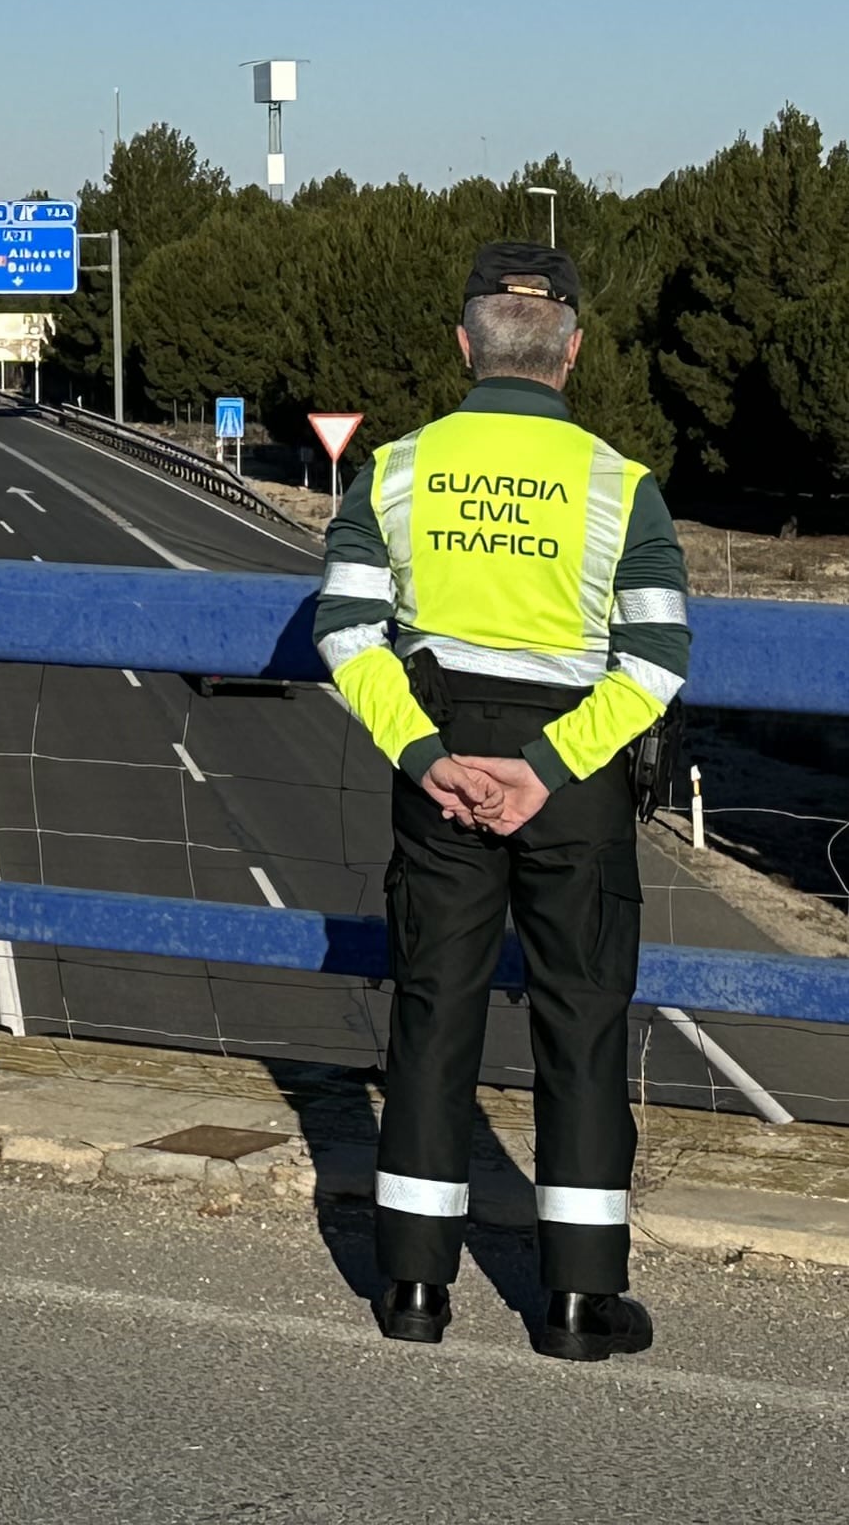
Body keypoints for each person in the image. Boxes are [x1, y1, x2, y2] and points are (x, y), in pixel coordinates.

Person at [315, 241, 688, 1363]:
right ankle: (578, 1302)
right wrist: (551, 767)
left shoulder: (393, 472)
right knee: (582, 1025)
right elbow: (657, 658)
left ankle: (412, 1290)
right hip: (568, 783)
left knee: (434, 1015)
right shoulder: (623, 487)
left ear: (463, 344)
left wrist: (429, 755)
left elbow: (343, 631)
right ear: (572, 352)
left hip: (441, 773)